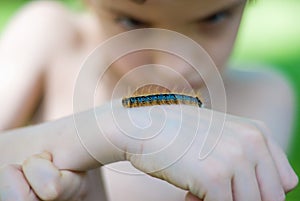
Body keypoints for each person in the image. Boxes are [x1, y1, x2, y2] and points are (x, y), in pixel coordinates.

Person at [0, 0, 298, 200]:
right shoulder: (48, 36)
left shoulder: (265, 96)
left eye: (214, 17)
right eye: (131, 21)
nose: (175, 64)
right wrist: (115, 129)